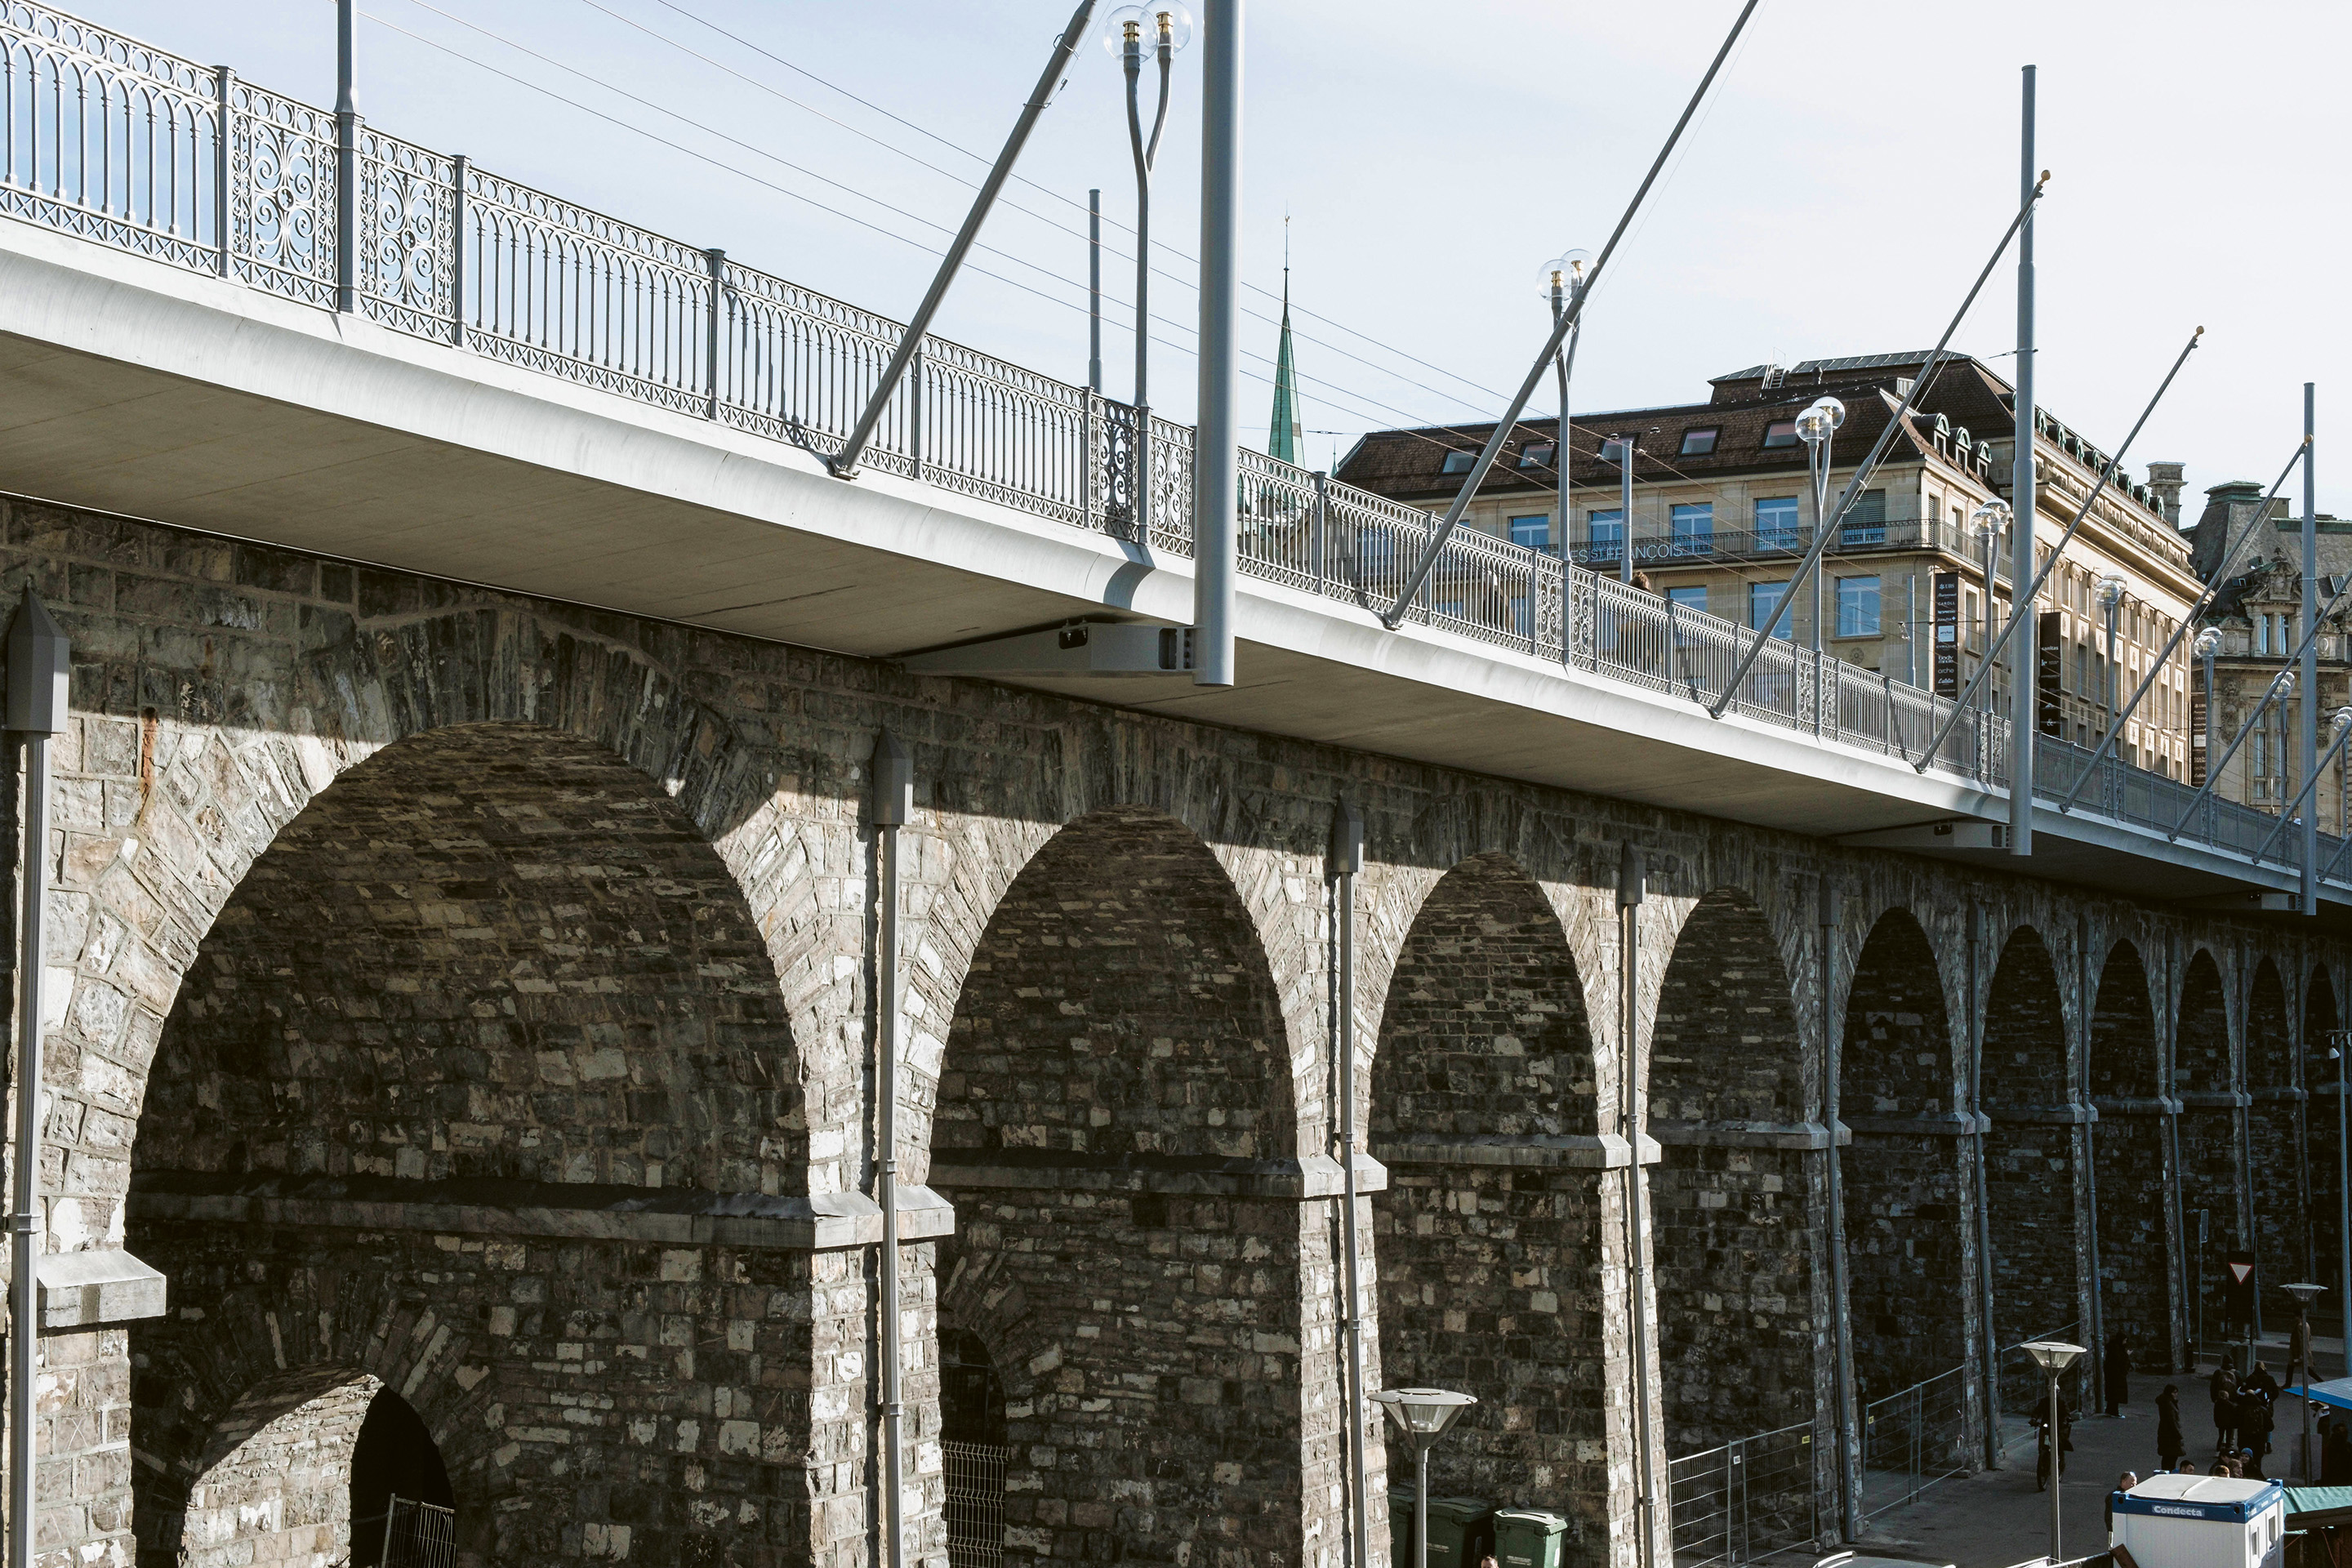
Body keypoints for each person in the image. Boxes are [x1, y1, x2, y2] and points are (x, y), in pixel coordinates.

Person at [2036, 1398, 2075, 1492]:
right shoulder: (2045, 1401)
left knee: (2059, 1443)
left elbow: (2067, 1413)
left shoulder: (2061, 1402)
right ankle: (2043, 1462)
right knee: (2043, 1442)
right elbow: (2038, 1410)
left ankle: (2060, 1464)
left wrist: (2066, 1419)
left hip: (2059, 1425)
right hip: (2047, 1424)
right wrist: (2034, 1418)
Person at [2212, 1366, 2240, 1454]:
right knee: (2229, 1437)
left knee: (2221, 1436)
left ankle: (2218, 1450)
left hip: (2220, 1423)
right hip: (2229, 1423)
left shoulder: (2217, 1404)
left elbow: (2215, 1414)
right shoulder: (2231, 1405)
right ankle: (2229, 1451)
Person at [2158, 1383, 2185, 1472]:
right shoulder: (2168, 1405)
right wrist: (2179, 1435)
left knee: (2167, 1457)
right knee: (2171, 1457)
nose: (2176, 1394)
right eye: (2174, 1392)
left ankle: (2166, 1471)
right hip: (2170, 1435)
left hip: (2166, 1434)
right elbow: (2172, 1421)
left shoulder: (2166, 1402)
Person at [2105, 1334, 2134, 1417]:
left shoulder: (2113, 1348)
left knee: (2112, 1394)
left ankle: (2110, 1409)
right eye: (2124, 1341)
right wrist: (2127, 1355)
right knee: (2116, 1394)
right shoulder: (2116, 1350)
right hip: (2117, 1375)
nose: (2125, 1343)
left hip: (2112, 1375)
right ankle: (2114, 1411)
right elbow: (2120, 1361)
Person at [2109, 1472, 2140, 1538]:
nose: (2134, 1486)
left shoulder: (2132, 1496)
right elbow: (2110, 1518)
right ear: (2123, 1482)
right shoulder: (2114, 1497)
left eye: (2135, 1484)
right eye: (2132, 1484)